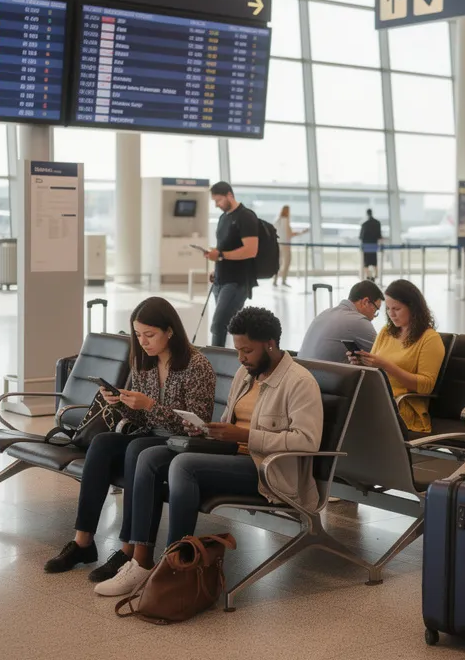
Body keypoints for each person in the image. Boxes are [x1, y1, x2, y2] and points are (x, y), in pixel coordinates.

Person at [93, 307, 322, 597]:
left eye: (247, 351)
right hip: (230, 454)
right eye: (237, 350)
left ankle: (175, 566)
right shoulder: (246, 373)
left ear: (271, 344)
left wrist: (245, 435)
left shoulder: (299, 382)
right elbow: (230, 420)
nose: (240, 358)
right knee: (149, 457)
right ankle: (141, 561)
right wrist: (205, 429)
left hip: (268, 470)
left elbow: (307, 441)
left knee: (183, 466)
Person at [45, 297, 217, 581]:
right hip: (150, 434)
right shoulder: (143, 362)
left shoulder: (196, 365)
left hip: (181, 443)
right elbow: (141, 420)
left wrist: (150, 405)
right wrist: (119, 403)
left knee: (137, 448)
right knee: (102, 443)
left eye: (150, 335)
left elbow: (197, 426)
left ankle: (128, 549)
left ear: (170, 331)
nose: (143, 341)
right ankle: (82, 542)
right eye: (138, 335)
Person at [347, 279, 445, 433]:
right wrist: (360, 363)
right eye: (388, 309)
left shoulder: (429, 338)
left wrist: (387, 366)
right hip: (380, 399)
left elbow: (426, 386)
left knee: (348, 416)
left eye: (397, 309)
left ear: (413, 308)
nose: (391, 314)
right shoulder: (386, 332)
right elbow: (373, 370)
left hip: (403, 407)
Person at [205, 182, 259, 347]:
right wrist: (216, 268)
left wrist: (220, 255)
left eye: (219, 200)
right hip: (221, 280)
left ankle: (215, 365)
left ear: (230, 195)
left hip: (237, 281)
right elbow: (223, 247)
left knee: (218, 324)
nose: (216, 205)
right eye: (214, 201)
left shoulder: (246, 217)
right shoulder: (223, 218)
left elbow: (251, 250)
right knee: (228, 324)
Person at [297, 280, 383, 364]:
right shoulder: (358, 320)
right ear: (365, 302)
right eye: (375, 310)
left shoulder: (325, 313)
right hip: (321, 377)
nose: (373, 317)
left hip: (302, 371)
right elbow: (383, 355)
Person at [272, 205, 306, 287]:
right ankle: (283, 280)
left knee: (278, 263)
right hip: (285, 244)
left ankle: (275, 280)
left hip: (278, 244)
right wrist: (301, 232)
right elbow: (289, 234)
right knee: (287, 262)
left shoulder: (277, 220)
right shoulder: (286, 220)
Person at [360, 209, 383, 280]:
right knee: (374, 261)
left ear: (367, 214)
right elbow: (379, 236)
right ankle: (375, 275)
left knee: (366, 262)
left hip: (366, 246)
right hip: (374, 246)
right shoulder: (377, 223)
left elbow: (361, 237)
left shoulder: (364, 224)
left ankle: (368, 275)